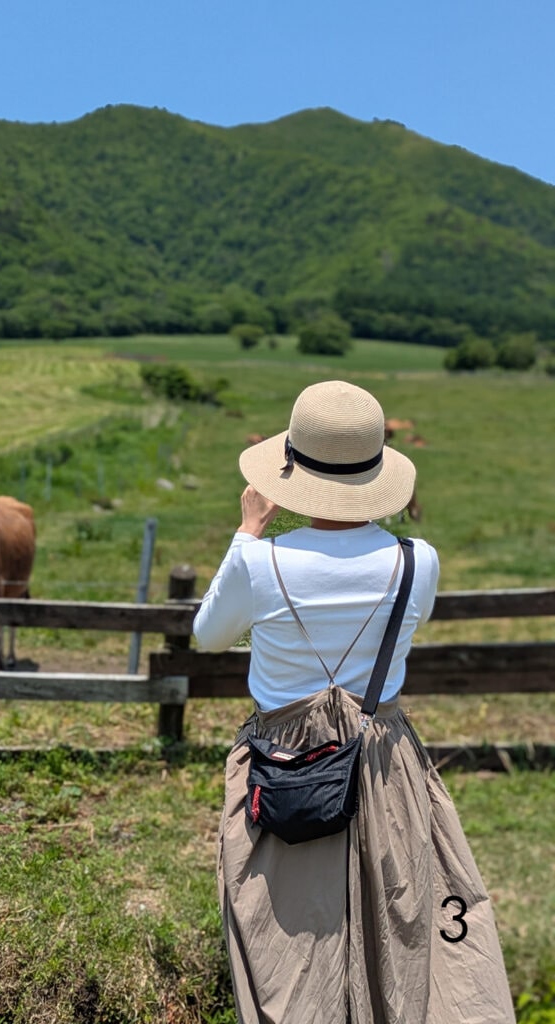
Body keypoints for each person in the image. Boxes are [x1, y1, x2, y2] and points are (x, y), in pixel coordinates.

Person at [193, 380, 514, 1024]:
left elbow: (206, 637)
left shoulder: (260, 562)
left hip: (284, 770)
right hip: (388, 766)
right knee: (398, 925)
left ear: (290, 472)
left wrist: (248, 530)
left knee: (290, 945)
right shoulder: (416, 560)